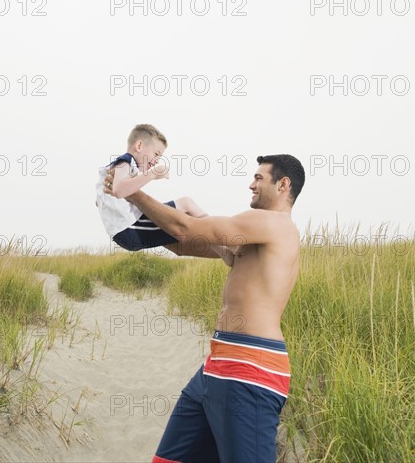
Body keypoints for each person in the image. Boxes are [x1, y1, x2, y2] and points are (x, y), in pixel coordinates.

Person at [105, 153, 305, 462]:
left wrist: (133, 191)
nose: (250, 184)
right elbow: (184, 244)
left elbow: (187, 229)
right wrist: (129, 213)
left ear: (283, 185)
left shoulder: (272, 223)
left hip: (250, 369)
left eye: (259, 178)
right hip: (218, 363)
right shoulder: (255, 236)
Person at [96, 124, 232, 261]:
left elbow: (103, 199)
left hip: (127, 231)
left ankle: (224, 248)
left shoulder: (121, 167)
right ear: (139, 146)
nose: (156, 161)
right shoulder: (124, 162)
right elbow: (119, 191)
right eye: (156, 154)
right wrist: (152, 174)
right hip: (129, 229)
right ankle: (224, 247)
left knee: (181, 231)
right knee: (186, 205)